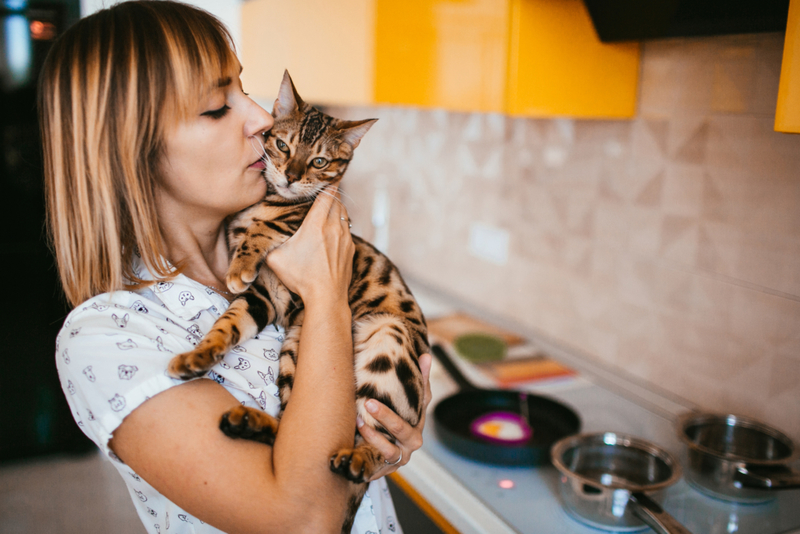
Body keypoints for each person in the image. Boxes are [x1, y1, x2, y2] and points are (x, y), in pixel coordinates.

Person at [39, 2, 432, 533]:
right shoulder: (107, 340)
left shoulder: (277, 247)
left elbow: (336, 465)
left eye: (244, 89)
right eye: (217, 107)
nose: (264, 119)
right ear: (133, 150)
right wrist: (326, 296)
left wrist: (378, 442)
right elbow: (305, 522)